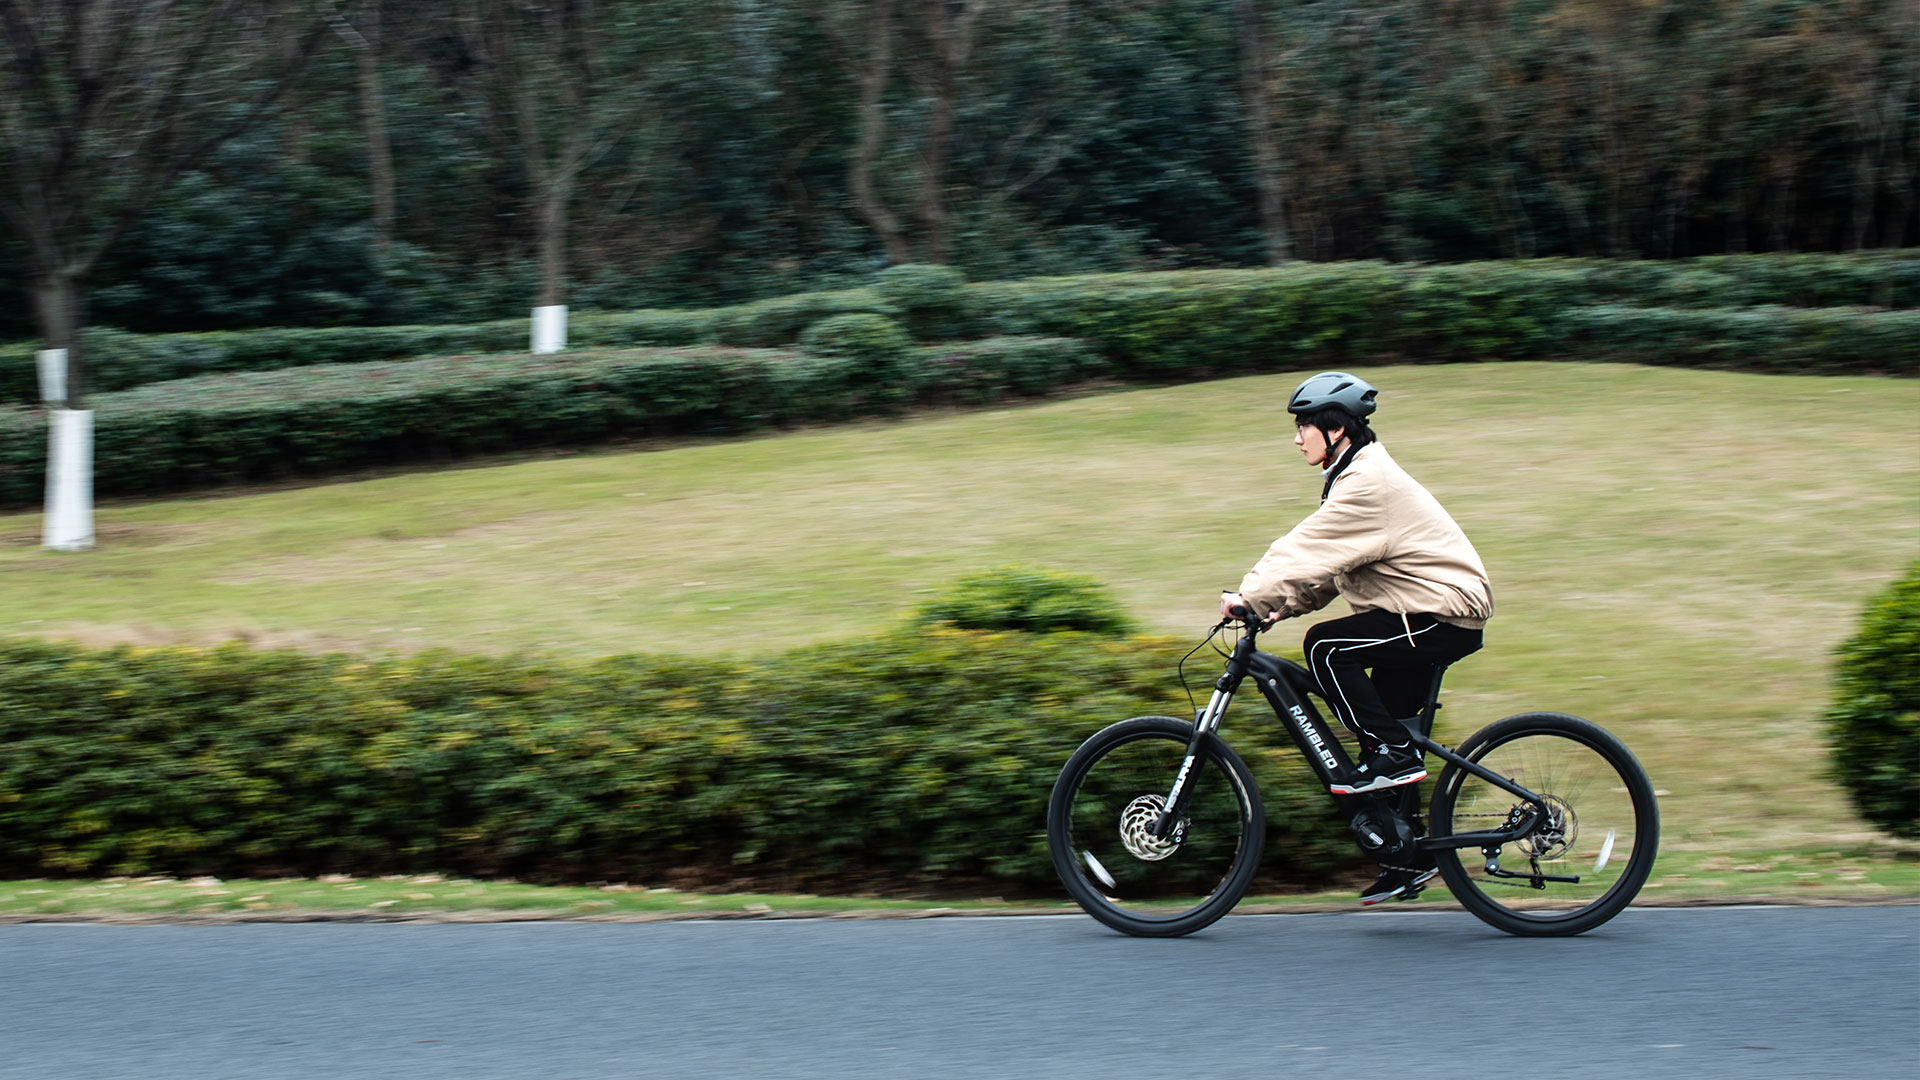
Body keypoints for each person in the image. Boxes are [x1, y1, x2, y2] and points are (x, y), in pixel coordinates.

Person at [1218, 371, 1494, 904]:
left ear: (1336, 429)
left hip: (1439, 611)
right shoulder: (1354, 474)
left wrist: (1251, 597)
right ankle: (1407, 858)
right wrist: (1278, 608)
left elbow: (1305, 549)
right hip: (1420, 609)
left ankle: (1394, 752)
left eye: (1304, 426)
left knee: (1326, 647)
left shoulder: (1367, 483)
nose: (1297, 437)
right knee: (1389, 733)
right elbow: (1333, 569)